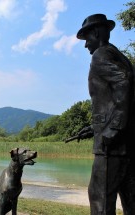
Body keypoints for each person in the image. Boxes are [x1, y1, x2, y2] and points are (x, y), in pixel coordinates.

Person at [76, 14, 135, 215]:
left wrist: (113, 128)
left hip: (111, 147)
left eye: (87, 39)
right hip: (128, 145)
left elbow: (123, 83)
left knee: (99, 197)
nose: (86, 46)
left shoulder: (101, 54)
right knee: (131, 201)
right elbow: (114, 100)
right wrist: (95, 128)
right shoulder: (118, 55)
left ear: (96, 32)